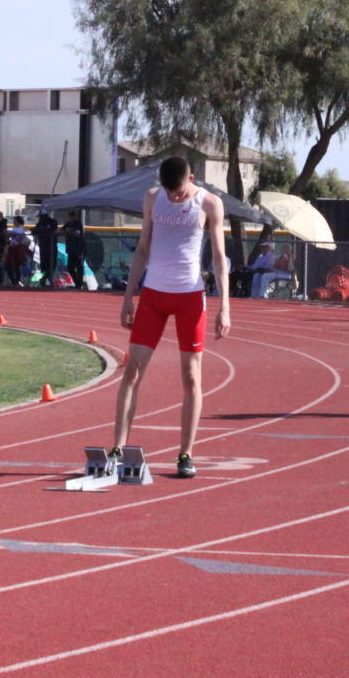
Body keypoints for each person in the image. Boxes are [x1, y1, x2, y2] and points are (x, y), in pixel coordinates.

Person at [114, 157, 231, 480]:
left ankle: (186, 453)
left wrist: (226, 306)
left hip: (190, 297)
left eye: (178, 193)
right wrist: (128, 297)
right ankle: (117, 448)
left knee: (191, 376)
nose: (174, 198)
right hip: (153, 294)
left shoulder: (209, 203)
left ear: (191, 179)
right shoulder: (154, 197)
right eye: (170, 193)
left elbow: (220, 258)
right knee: (132, 370)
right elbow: (142, 248)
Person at [5, 216, 34, 286]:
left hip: (17, 249)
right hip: (12, 248)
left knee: (16, 266)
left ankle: (17, 281)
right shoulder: (15, 229)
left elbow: (18, 236)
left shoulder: (20, 229)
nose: (14, 222)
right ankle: (14, 281)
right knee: (9, 266)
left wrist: (11, 234)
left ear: (18, 221)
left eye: (15, 221)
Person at [33, 208, 59, 287]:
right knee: (44, 265)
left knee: (52, 265)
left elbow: (52, 230)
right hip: (43, 247)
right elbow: (34, 230)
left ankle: (46, 279)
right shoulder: (40, 223)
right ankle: (44, 281)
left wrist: (42, 230)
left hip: (51, 247)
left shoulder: (52, 222)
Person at [62, 210, 87, 290]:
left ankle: (79, 284)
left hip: (79, 249)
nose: (72, 217)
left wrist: (68, 232)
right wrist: (66, 232)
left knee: (79, 267)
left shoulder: (78, 223)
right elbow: (60, 231)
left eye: (73, 216)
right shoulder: (68, 224)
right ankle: (77, 283)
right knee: (70, 267)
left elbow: (77, 233)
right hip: (70, 249)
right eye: (70, 216)